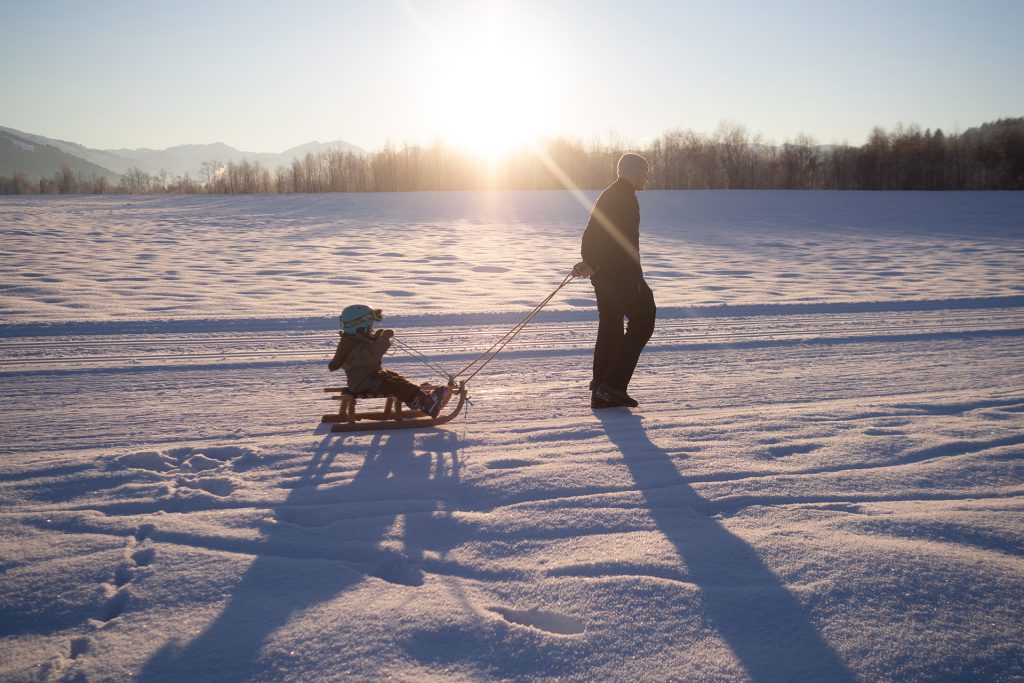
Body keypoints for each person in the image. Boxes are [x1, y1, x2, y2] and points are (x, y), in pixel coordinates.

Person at [573, 153, 656, 409]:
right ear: (634, 173)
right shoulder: (624, 197)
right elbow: (612, 235)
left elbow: (590, 233)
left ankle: (601, 389)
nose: (646, 177)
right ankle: (612, 386)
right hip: (621, 275)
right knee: (644, 319)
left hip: (604, 275)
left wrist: (590, 261)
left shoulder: (609, 194)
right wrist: (593, 262)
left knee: (610, 325)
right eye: (644, 172)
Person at [328, 304, 450, 418]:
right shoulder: (351, 346)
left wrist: (376, 338)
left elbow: (369, 351)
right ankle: (425, 403)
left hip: (370, 378)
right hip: (364, 384)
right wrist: (383, 340)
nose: (371, 329)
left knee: (396, 378)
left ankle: (416, 396)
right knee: (394, 385)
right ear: (359, 328)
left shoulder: (354, 341)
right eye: (370, 327)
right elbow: (371, 355)